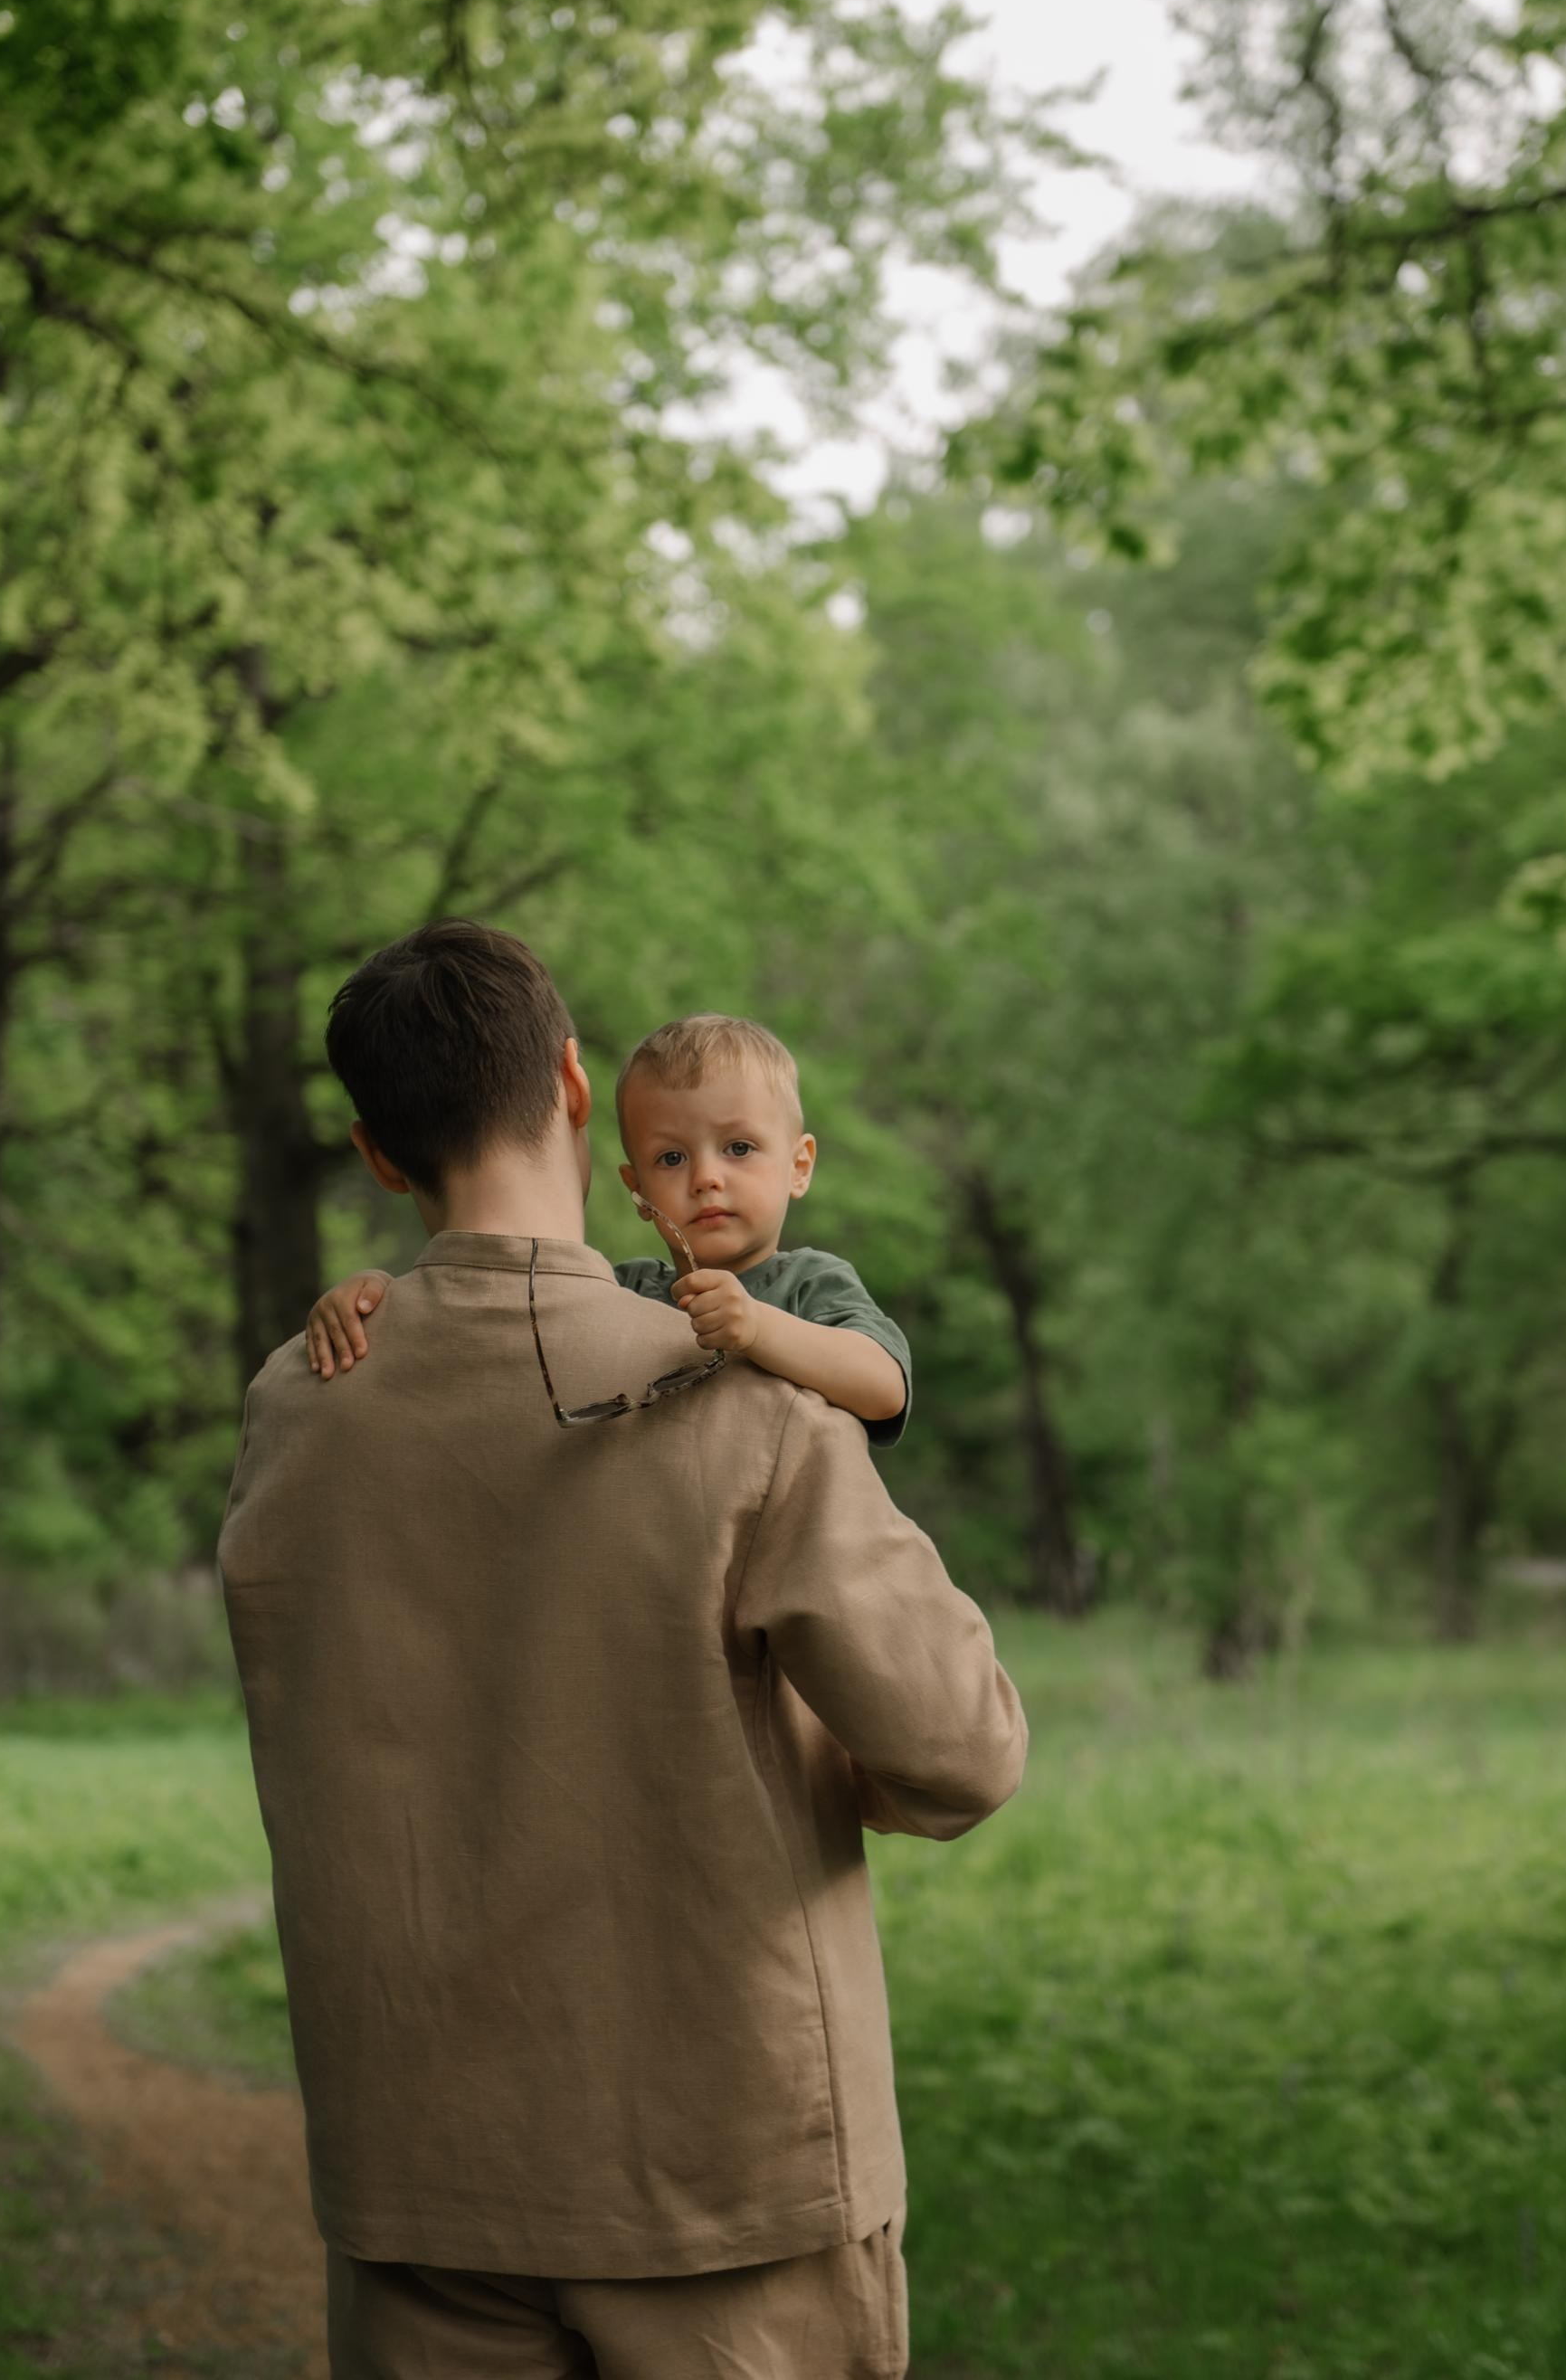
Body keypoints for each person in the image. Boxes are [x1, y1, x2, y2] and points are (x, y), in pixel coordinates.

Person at [218, 919, 1027, 2380]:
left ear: (379, 1156)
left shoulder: (297, 1405)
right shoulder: (747, 1393)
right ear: (580, 1091)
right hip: (727, 2183)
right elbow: (960, 1749)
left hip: (421, 2185)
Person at [305, 1010, 911, 1449]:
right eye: (671, 1159)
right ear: (638, 1189)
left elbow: (885, 1387)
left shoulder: (811, 1284)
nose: (706, 1178)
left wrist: (758, 1327)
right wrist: (378, 1298)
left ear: (799, 1165)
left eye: (739, 1147)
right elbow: (506, 1322)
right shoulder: (624, 1290)